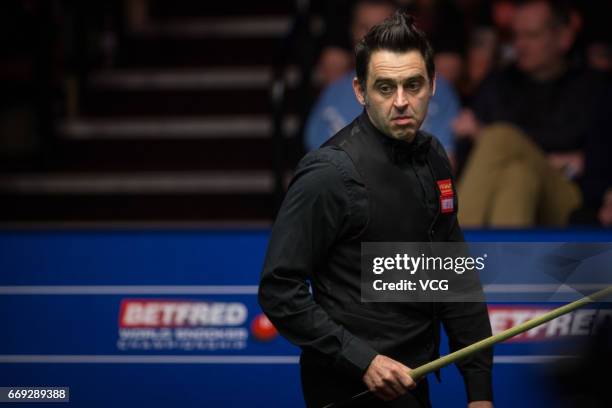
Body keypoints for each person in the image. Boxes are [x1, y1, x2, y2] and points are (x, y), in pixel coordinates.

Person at [259, 12, 493, 408]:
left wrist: (480, 393)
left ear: (433, 85)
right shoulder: (328, 173)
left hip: (412, 382)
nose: (401, 101)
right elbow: (279, 289)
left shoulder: (435, 158)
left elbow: (452, 274)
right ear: (359, 91)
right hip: (348, 388)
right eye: (385, 87)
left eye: (413, 85)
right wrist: (363, 360)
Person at [453, 0, 610, 227]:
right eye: (515, 36)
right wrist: (560, 158)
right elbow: (470, 161)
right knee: (518, 176)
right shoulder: (497, 84)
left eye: (532, 35)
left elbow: (598, 160)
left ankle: (449, 249)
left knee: (500, 137)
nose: (520, 45)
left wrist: (484, 133)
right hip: (510, 190)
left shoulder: (595, 87)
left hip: (570, 200)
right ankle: (506, 262)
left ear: (563, 37)